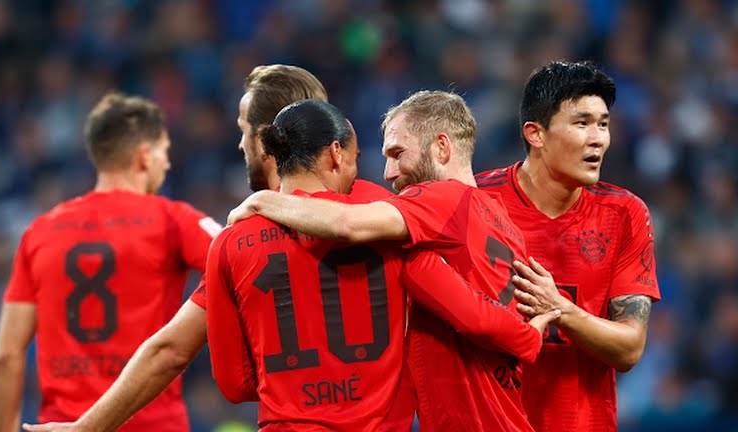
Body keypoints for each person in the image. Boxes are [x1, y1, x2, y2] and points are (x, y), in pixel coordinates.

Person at [20, 64, 401, 432]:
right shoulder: (387, 216)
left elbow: (180, 356)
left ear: (268, 138)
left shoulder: (241, 239)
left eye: (243, 130)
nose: (239, 143)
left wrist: (87, 427)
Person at [208, 98, 553, 431]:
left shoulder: (228, 242)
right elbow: (458, 300)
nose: (386, 174)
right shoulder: (384, 215)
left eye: (395, 155)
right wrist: (528, 333)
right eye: (361, 158)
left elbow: (235, 384)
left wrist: (296, 387)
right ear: (336, 153)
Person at [0, 93, 221, 432]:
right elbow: (239, 260)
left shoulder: (40, 232)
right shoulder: (173, 220)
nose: (167, 164)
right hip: (153, 425)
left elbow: (6, 357)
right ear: (144, 156)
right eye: (164, 152)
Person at [479, 60, 660, 431]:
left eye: (604, 124)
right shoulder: (474, 202)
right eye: (582, 123)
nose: (598, 139)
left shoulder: (625, 214)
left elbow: (630, 348)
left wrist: (561, 310)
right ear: (536, 134)